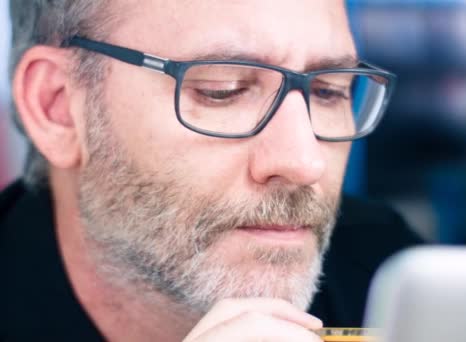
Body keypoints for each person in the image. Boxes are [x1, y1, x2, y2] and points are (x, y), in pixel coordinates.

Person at [0, 1, 422, 341]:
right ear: (56, 108)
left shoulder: (395, 278)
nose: (303, 163)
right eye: (224, 90)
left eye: (328, 92)